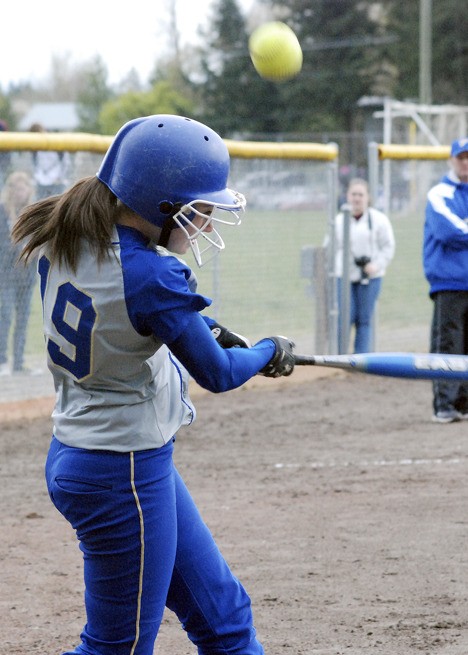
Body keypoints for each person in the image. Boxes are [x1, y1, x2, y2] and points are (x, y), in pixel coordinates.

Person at [12, 114, 295, 655]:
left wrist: (198, 328)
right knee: (117, 648)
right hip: (121, 472)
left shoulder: (71, 236)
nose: (207, 221)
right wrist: (268, 351)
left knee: (225, 618)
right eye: (200, 209)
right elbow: (216, 373)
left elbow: (125, 320)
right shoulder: (152, 274)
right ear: (160, 205)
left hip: (109, 458)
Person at [423, 137, 468, 424]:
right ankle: (444, 403)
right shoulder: (439, 193)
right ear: (452, 160)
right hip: (449, 282)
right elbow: (448, 232)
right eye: (461, 157)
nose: (465, 163)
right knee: (448, 344)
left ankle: (463, 402)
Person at [332, 177, 395, 353]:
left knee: (364, 319)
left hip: (370, 277)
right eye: (353, 194)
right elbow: (330, 248)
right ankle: (341, 357)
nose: (357, 198)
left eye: (361, 194)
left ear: (368, 197)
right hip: (343, 277)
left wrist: (376, 265)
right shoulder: (339, 220)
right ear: (347, 196)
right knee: (345, 317)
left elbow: (388, 247)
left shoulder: (379, 220)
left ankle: (361, 358)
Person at [0, 171, 37, 375]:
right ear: (10, 190)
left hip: (26, 274)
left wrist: (31, 251)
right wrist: (18, 249)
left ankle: (18, 362)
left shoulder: (31, 211)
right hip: (6, 273)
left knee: (23, 318)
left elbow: (38, 240)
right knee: (5, 315)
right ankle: (2, 360)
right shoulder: (3, 211)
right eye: (17, 188)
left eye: (24, 188)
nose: (20, 193)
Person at [29, 122, 70, 199]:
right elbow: (35, 164)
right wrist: (38, 178)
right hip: (41, 182)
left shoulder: (54, 143)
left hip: (56, 182)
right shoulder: (35, 149)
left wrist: (60, 177)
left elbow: (65, 161)